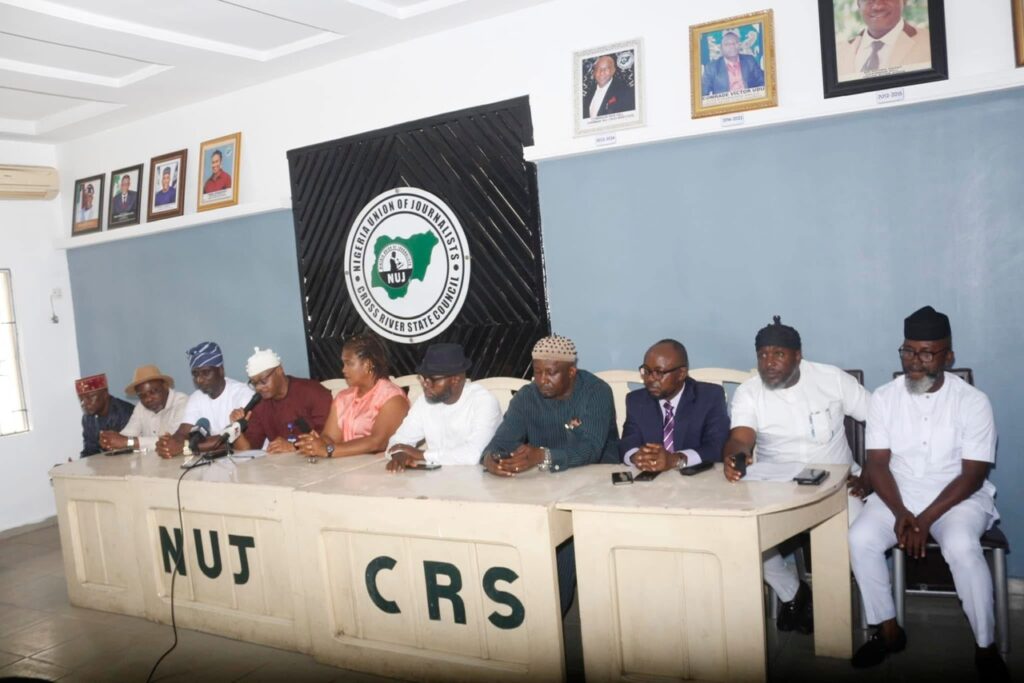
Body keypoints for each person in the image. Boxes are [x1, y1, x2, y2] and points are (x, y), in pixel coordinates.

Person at [848, 306, 1010, 680]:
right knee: (860, 538)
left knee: (962, 548)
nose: (914, 362)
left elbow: (972, 475)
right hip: (897, 494)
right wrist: (903, 511)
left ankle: (985, 646)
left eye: (925, 353)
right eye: (907, 351)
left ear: (948, 356)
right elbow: (877, 464)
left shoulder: (973, 402)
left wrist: (924, 519)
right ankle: (887, 629)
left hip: (958, 498)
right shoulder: (885, 398)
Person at [723, 316, 871, 634]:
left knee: (858, 536)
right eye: (762, 355)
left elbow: (881, 422)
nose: (769, 363)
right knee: (742, 533)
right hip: (778, 486)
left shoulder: (832, 380)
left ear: (798, 355)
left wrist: (871, 471)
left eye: (778, 354)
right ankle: (794, 592)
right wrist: (734, 455)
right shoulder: (749, 392)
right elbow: (741, 437)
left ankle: (841, 619)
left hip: (839, 486)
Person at [482, 334, 618, 615]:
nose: (542, 379)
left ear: (571, 372)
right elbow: (499, 443)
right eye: (537, 371)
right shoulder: (527, 397)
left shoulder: (596, 392)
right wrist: (492, 460)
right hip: (545, 486)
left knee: (560, 547)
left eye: (551, 372)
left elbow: (591, 450)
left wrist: (542, 455)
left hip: (598, 487)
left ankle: (551, 618)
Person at [386, 343, 501, 472]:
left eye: (432, 379)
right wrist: (400, 454)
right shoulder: (424, 401)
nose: (425, 384)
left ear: (455, 380)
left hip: (478, 483)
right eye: (423, 378)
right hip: (436, 481)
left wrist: (420, 454)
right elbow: (398, 440)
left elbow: (473, 454)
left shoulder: (484, 401)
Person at [621, 339, 729, 472]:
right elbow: (628, 442)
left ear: (681, 374)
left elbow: (717, 446)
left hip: (696, 483)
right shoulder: (636, 401)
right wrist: (636, 456)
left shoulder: (709, 397)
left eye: (659, 372)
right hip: (651, 483)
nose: (650, 379)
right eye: (647, 371)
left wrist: (676, 460)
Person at [296, 333, 409, 459]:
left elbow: (378, 442)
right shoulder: (343, 397)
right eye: (343, 364)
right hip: (345, 468)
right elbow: (330, 437)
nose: (343, 370)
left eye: (349, 363)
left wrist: (328, 450)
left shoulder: (392, 397)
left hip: (380, 470)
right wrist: (317, 443)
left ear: (367, 364)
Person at [155, 341, 254, 458]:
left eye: (206, 373)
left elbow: (229, 438)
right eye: (195, 374)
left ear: (221, 370)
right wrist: (166, 444)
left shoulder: (243, 394)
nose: (199, 380)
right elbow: (182, 433)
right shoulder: (196, 398)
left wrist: (185, 446)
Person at [230, 347, 332, 453]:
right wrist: (237, 427)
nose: (259, 388)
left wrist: (294, 446)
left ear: (279, 370)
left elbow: (330, 439)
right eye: (254, 383)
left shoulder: (312, 392)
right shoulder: (260, 404)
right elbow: (248, 451)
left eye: (263, 381)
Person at [99, 365, 188, 453]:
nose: (148, 399)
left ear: (165, 386)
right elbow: (127, 435)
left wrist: (127, 442)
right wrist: (110, 440)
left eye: (153, 392)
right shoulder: (140, 407)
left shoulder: (182, 403)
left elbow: (174, 441)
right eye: (142, 396)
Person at [836, 0, 932, 80]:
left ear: (904, 1)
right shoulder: (838, 54)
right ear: (858, 3)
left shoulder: (930, 44)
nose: (878, 6)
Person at [76, 373, 133, 457]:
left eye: (90, 397)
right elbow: (90, 451)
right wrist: (76, 465)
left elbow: (130, 450)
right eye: (81, 399)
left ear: (105, 394)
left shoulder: (126, 413)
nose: (84, 403)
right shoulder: (87, 418)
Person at [701, 30, 765, 96]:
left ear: (739, 45)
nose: (731, 46)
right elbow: (704, 92)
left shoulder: (749, 60)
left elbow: (762, 82)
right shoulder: (711, 67)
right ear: (721, 48)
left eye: (734, 43)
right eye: (727, 44)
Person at [582, 54, 635, 119]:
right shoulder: (588, 94)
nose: (601, 72)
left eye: (606, 68)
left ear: (613, 70)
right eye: (598, 69)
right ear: (594, 72)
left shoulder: (625, 92)